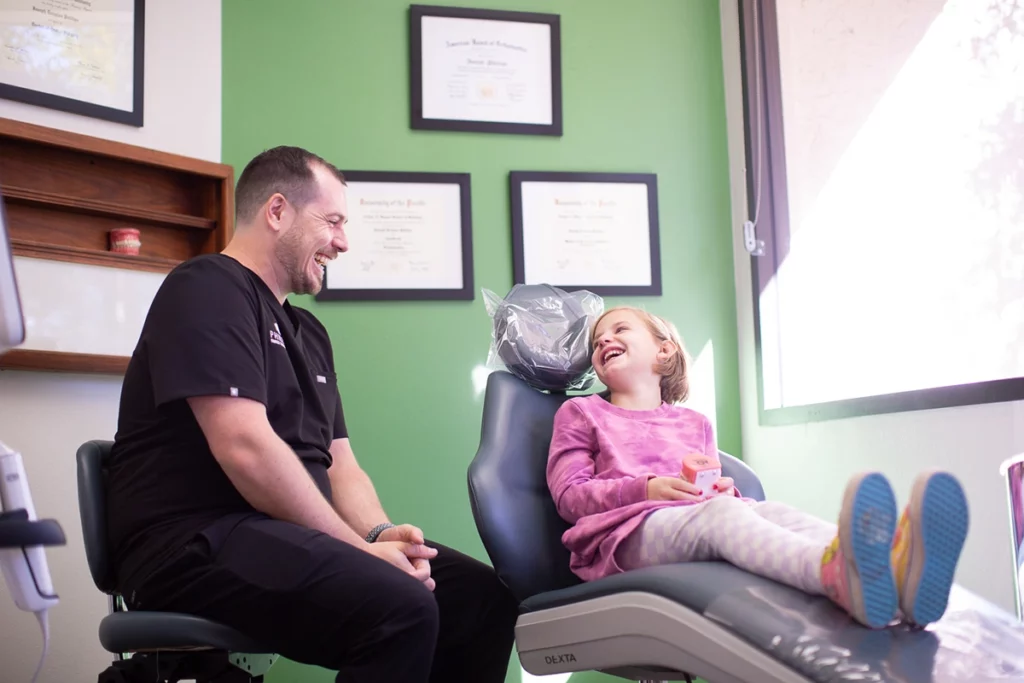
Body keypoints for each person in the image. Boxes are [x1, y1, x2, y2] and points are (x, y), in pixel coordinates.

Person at [105, 146, 519, 682]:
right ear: (277, 211)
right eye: (334, 221)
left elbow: (339, 465)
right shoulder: (207, 287)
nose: (344, 242)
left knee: (483, 601)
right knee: (401, 605)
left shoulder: (310, 335)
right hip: (187, 543)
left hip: (272, 535)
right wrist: (357, 553)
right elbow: (244, 446)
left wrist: (378, 536)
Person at [546, 306, 970, 630]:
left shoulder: (694, 423)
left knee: (771, 511)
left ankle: (894, 571)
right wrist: (647, 489)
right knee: (724, 514)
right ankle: (830, 574)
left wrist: (719, 490)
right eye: (597, 341)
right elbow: (569, 497)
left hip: (692, 522)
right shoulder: (582, 412)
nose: (604, 342)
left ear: (664, 349)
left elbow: (713, 495)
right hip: (623, 537)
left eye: (619, 330)